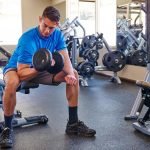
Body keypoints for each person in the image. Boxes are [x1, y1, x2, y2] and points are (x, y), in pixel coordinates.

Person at [0, 6, 96, 149]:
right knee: (12, 82)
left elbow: (65, 59)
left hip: (41, 68)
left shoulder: (57, 35)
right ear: (40, 19)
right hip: (18, 68)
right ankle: (7, 129)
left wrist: (69, 75)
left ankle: (73, 124)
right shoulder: (28, 38)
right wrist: (41, 67)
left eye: (51, 28)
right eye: (45, 26)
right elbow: (22, 72)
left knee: (74, 74)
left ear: (56, 25)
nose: (47, 31)